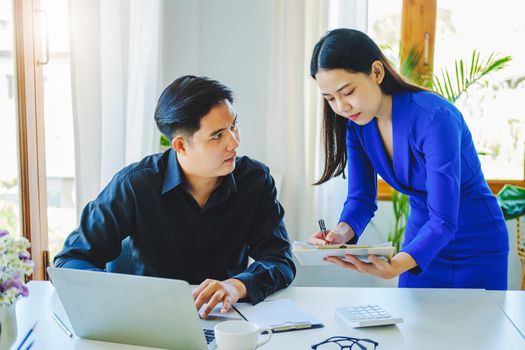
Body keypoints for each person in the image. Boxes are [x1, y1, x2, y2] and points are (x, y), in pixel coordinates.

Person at [54, 75, 296, 317]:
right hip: (150, 320)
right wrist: (120, 297)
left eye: (233, 126)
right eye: (217, 135)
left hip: (225, 320)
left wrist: (235, 286)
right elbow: (72, 260)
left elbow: (280, 260)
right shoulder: (136, 185)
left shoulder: (254, 181)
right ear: (180, 146)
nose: (234, 142)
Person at [308, 28, 509, 290]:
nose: (341, 107)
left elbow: (444, 220)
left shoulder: (434, 117)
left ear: (377, 72)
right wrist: (341, 234)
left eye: (347, 92)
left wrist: (395, 266)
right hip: (420, 242)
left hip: (476, 243)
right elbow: (361, 200)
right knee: (414, 329)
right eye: (330, 98)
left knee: (476, 330)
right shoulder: (357, 124)